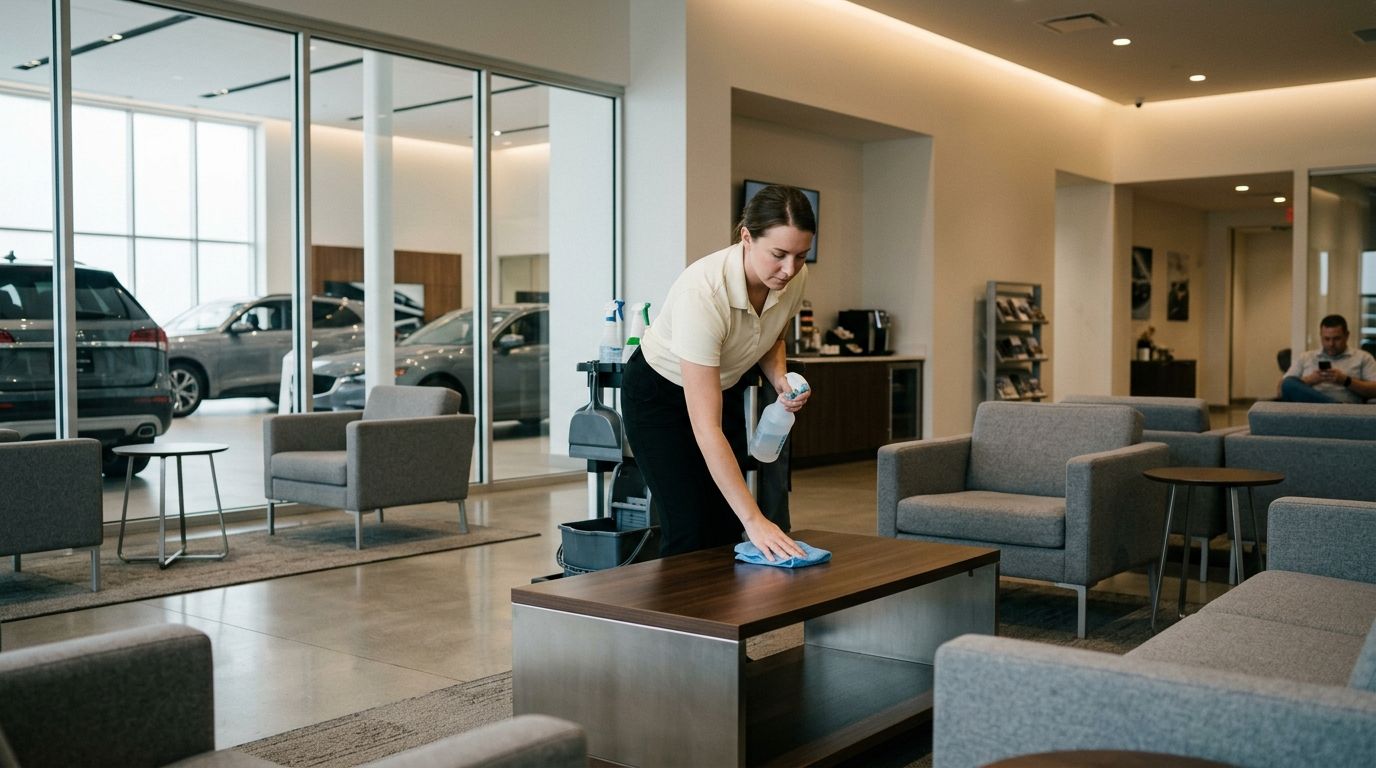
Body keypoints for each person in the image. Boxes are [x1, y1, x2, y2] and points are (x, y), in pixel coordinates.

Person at [622, 185, 814, 561]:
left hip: (721, 387)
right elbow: (705, 427)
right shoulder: (704, 292)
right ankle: (676, 619)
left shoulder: (793, 278)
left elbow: (771, 336)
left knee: (726, 526)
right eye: (778, 255)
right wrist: (756, 520)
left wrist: (779, 378)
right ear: (746, 237)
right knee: (689, 525)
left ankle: (722, 619)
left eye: (800, 256)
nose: (789, 269)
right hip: (658, 398)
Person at [1280, 314, 1376, 404]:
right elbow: (1281, 389)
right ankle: (1335, 406)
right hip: (1308, 413)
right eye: (1326, 339)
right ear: (1321, 336)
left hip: (1347, 415)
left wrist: (1345, 381)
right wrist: (1310, 380)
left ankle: (1335, 408)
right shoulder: (1305, 358)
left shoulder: (1363, 358)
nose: (1331, 344)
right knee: (1288, 383)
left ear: (1347, 335)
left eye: (1337, 339)